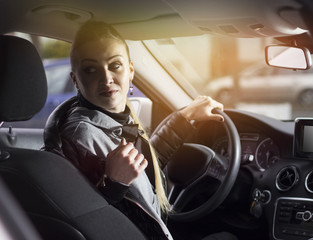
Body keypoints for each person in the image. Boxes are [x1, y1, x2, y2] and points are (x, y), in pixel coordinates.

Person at [44, 21, 237, 240]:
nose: (106, 78)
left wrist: (183, 119)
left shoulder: (113, 121)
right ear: (76, 80)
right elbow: (86, 223)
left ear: (131, 71)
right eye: (90, 69)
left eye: (115, 65)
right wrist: (113, 185)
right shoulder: (82, 136)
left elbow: (140, 175)